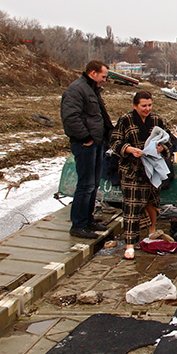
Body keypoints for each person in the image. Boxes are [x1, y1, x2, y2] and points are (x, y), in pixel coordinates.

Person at [110, 91, 173, 260]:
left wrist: (161, 149)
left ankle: (151, 232)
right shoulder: (126, 120)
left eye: (150, 105)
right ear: (135, 106)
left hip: (152, 169)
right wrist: (130, 149)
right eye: (143, 106)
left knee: (152, 202)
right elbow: (115, 141)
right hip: (132, 169)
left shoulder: (157, 120)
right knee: (131, 206)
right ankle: (130, 243)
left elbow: (169, 141)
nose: (147, 109)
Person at [60, 59, 114, 239]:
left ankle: (88, 219)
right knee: (85, 184)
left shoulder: (91, 89)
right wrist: (85, 137)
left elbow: (98, 116)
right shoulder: (76, 90)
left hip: (97, 143)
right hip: (85, 144)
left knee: (94, 183)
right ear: (93, 73)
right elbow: (70, 118)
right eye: (103, 76)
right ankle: (78, 224)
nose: (105, 80)